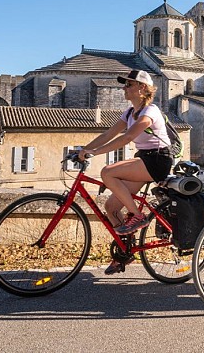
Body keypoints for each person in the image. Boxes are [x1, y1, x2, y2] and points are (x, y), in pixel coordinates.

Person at [77, 69, 175, 274]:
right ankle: (124, 254)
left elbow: (127, 138)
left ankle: (138, 216)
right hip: (144, 159)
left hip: (158, 160)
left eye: (129, 84)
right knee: (111, 208)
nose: (124, 88)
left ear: (142, 88)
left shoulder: (151, 111)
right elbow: (109, 133)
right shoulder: (130, 113)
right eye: (125, 84)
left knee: (108, 172)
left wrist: (94, 153)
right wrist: (83, 150)